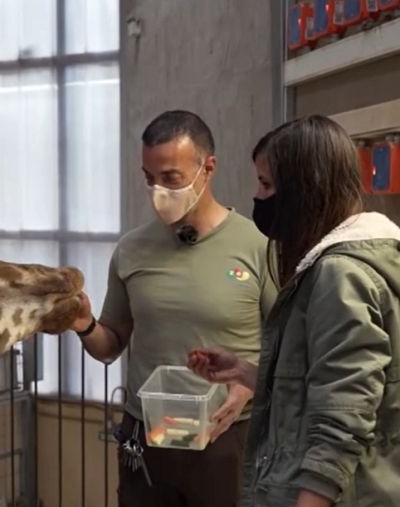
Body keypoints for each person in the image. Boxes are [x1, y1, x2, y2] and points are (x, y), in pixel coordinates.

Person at [189, 115, 400, 506]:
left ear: (305, 190)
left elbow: (342, 420)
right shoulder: (352, 264)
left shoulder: (341, 276)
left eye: (267, 184)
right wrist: (245, 372)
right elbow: (324, 384)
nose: (258, 196)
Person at [71, 110, 277, 506]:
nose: (158, 192)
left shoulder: (258, 246)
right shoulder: (132, 250)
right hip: (148, 435)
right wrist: (83, 324)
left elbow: (290, 348)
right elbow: (109, 344)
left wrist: (250, 382)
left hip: (228, 434)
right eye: (150, 178)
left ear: (208, 168)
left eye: (171, 179)